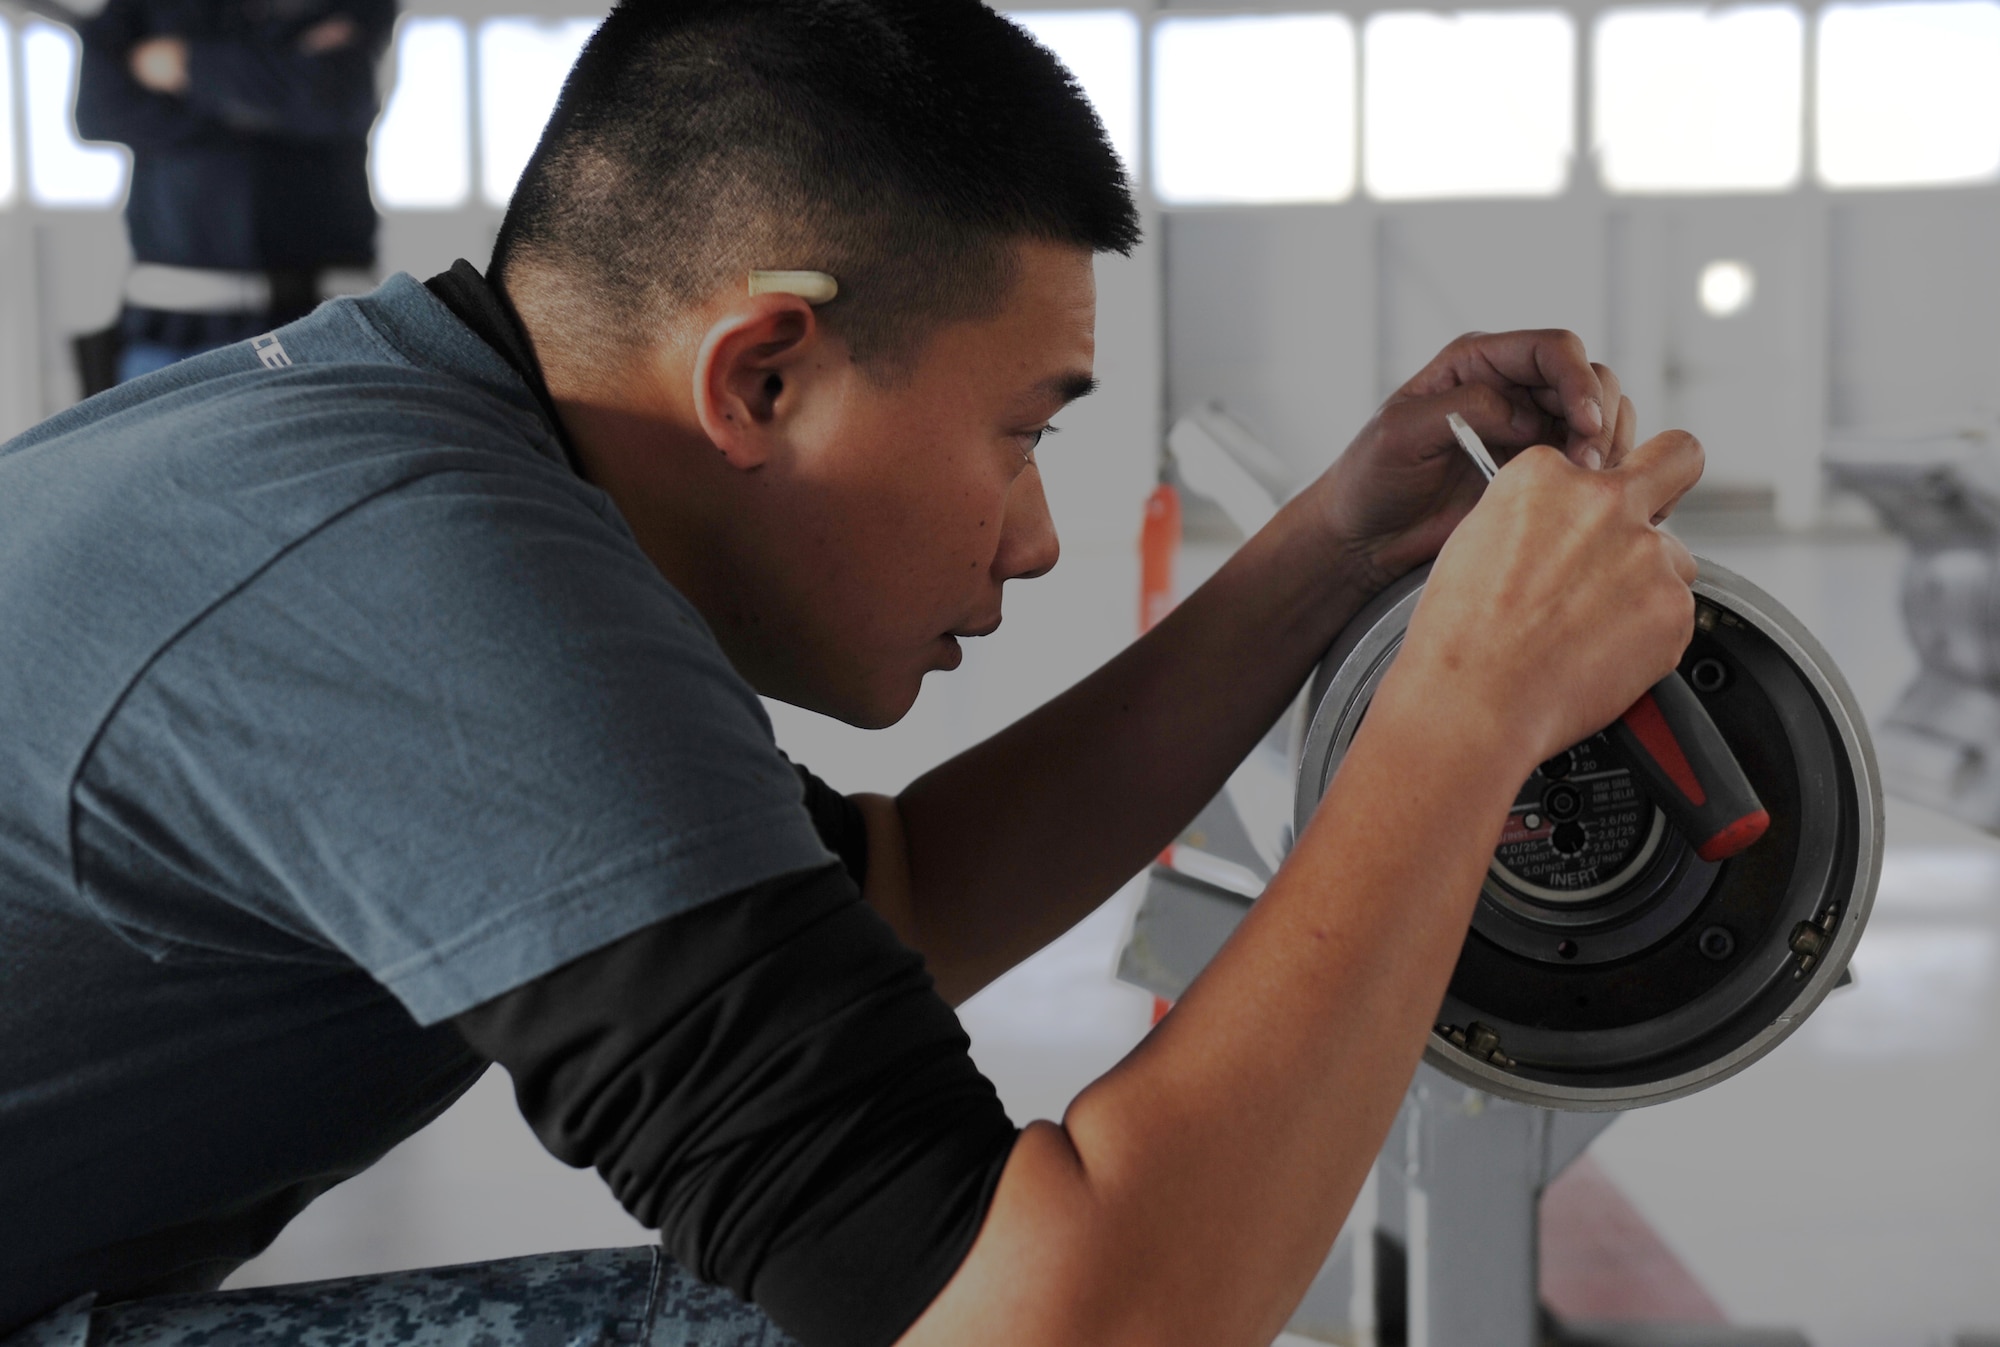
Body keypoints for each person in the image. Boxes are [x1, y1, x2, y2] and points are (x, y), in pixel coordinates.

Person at [0, 2, 1704, 1344]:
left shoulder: (406, 453)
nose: (1034, 536)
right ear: (760, 376)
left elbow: (889, 900)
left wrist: (1336, 548)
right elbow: (1052, 1324)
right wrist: (1464, 712)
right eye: (1018, 432)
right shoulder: (418, 576)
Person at [74, 0, 394, 387]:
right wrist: (279, 87)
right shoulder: (137, 7)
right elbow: (99, 110)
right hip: (172, 335)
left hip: (327, 327)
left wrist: (184, 67)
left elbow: (336, 96)